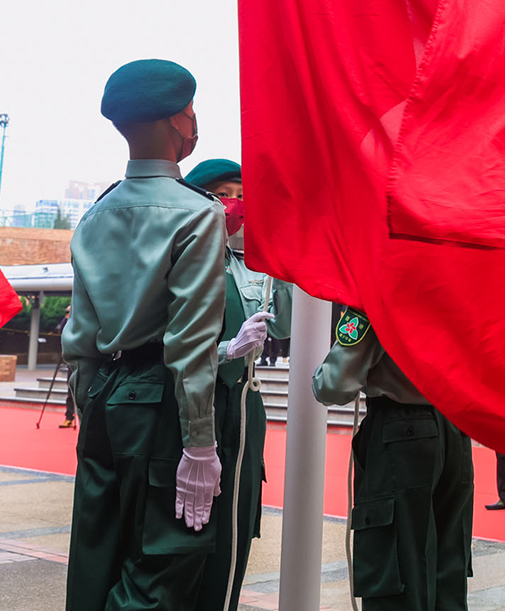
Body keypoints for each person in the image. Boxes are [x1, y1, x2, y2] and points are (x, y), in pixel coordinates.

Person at [64, 61, 228, 611]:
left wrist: (92, 408)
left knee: (95, 551)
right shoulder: (198, 214)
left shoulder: (97, 213)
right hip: (160, 402)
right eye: (191, 113)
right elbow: (189, 343)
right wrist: (200, 442)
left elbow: (80, 335)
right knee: (162, 561)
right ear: (179, 120)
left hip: (104, 396)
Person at [180, 157, 293, 611]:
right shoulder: (189, 257)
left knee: (234, 531)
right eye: (225, 193)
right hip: (195, 404)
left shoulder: (255, 262)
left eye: (243, 194)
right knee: (186, 538)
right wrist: (228, 347)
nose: (236, 203)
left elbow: (284, 324)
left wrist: (283, 254)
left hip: (244, 409)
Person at [315, 303, 473, 611]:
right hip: (455, 428)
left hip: (402, 431)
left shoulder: (380, 288)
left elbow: (332, 386)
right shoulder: (457, 289)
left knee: (397, 572)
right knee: (448, 571)